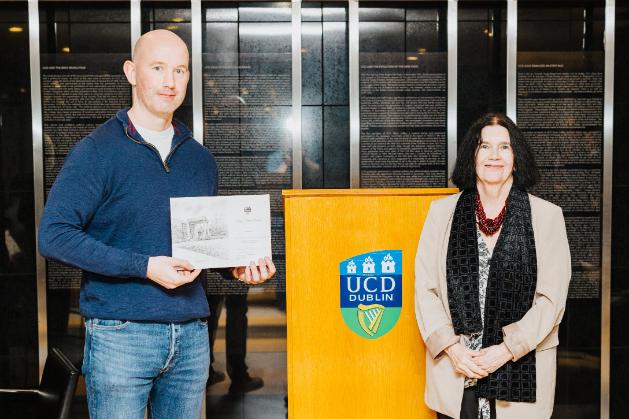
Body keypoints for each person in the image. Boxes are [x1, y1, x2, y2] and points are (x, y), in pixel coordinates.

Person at [38, 29, 276, 419]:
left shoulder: (200, 159)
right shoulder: (96, 151)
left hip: (192, 336)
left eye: (180, 70)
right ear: (131, 72)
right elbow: (54, 235)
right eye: (158, 68)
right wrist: (145, 266)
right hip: (121, 336)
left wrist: (236, 267)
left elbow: (201, 243)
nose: (170, 81)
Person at [414, 113, 571, 419]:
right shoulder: (441, 213)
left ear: (517, 157)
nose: (494, 156)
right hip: (458, 368)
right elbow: (425, 289)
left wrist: (506, 350)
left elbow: (551, 300)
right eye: (484, 146)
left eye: (504, 147)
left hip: (519, 369)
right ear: (471, 156)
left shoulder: (547, 216)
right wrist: (453, 350)